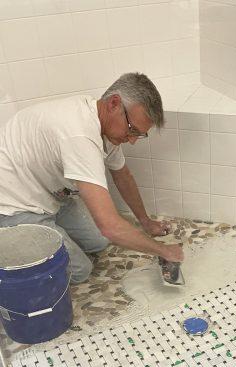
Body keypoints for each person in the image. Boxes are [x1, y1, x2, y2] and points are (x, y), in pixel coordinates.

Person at [0, 72, 184, 283]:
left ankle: (50, 233)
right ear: (114, 103)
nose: (132, 141)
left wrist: (146, 222)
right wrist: (162, 251)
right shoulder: (79, 135)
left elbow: (123, 176)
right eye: (132, 130)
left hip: (49, 194)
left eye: (139, 135)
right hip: (14, 205)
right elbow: (110, 226)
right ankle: (9, 240)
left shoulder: (104, 125)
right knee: (80, 270)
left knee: (98, 242)